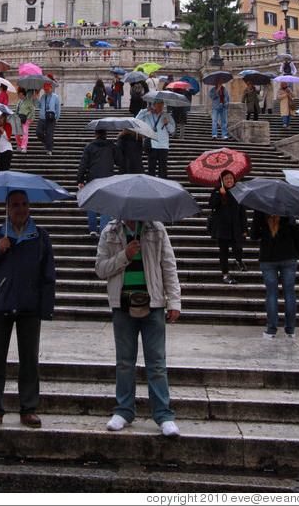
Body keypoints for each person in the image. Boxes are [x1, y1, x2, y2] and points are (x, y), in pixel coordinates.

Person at [95, 216, 181, 437]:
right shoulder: (109, 232)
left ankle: (163, 414)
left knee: (157, 362)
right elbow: (100, 268)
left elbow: (168, 265)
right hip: (122, 303)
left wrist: (174, 301)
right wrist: (125, 255)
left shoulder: (157, 228)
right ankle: (124, 410)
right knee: (124, 361)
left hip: (152, 303)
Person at [0, 190, 56, 430]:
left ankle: (28, 408)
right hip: (1, 303)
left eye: (24, 204)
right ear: (7, 208)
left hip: (29, 305)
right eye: (15, 205)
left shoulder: (41, 237)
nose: (21, 209)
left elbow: (48, 275)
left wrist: (46, 308)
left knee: (29, 360)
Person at [249, 210, 299, 339]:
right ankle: (290, 329)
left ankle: (271, 329)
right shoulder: (287, 209)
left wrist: (264, 230)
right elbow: (296, 234)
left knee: (271, 293)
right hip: (288, 256)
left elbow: (253, 235)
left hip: (268, 256)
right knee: (289, 292)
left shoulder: (261, 209)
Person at [208, 170, 248, 284]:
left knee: (238, 248)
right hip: (222, 227)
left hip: (236, 227)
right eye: (226, 179)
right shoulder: (217, 191)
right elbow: (211, 205)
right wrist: (220, 194)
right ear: (222, 180)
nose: (229, 181)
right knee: (223, 252)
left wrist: (245, 229)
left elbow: (242, 212)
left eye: (231, 178)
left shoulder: (238, 191)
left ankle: (238, 259)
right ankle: (225, 274)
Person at [77, 129, 116, 238]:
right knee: (106, 205)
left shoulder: (89, 146)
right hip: (107, 178)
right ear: (106, 134)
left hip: (92, 178)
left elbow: (84, 163)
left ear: (95, 134)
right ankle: (103, 228)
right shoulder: (111, 146)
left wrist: (80, 179)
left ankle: (93, 228)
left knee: (91, 202)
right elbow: (118, 161)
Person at [136, 97, 175, 179]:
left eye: (161, 103)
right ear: (153, 104)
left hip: (163, 145)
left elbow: (172, 130)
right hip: (152, 145)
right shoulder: (148, 115)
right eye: (158, 103)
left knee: (163, 169)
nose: (160, 105)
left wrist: (167, 123)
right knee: (151, 168)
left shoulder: (167, 115)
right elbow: (137, 119)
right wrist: (146, 110)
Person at [36, 80, 60, 156]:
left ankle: (49, 149)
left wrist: (56, 118)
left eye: (48, 89)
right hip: (43, 118)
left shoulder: (56, 97)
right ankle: (46, 142)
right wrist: (35, 100)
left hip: (51, 118)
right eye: (45, 89)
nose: (46, 90)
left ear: (51, 88)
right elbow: (39, 106)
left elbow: (58, 108)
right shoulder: (43, 97)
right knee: (38, 132)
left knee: (49, 134)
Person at [15, 87, 35, 153]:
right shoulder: (19, 102)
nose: (20, 96)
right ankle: (19, 145)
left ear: (24, 94)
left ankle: (24, 147)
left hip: (26, 118)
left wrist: (32, 118)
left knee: (25, 133)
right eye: (19, 95)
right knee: (17, 134)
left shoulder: (28, 101)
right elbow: (16, 111)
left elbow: (32, 110)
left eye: (21, 95)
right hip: (19, 118)